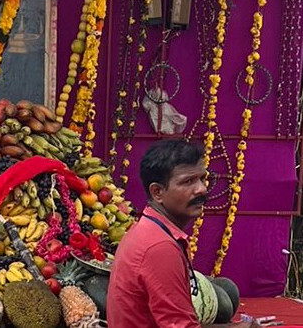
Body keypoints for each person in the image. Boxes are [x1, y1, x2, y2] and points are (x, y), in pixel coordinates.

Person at [107, 139, 260, 328]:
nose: (201, 189)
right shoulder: (159, 248)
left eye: (202, 178)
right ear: (157, 192)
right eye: (188, 181)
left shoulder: (150, 230)